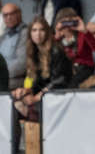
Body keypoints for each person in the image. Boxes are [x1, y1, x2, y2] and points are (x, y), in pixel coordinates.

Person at [11, 17, 72, 145]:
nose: (38, 34)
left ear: (47, 32)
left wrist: (38, 96)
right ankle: (19, 147)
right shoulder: (33, 52)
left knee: (25, 107)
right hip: (43, 95)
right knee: (15, 103)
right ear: (30, 34)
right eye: (34, 30)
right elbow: (31, 78)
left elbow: (60, 81)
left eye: (41, 30)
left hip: (58, 96)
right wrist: (25, 90)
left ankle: (35, 146)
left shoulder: (56, 50)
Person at [53, 8, 95, 86]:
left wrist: (84, 30)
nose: (68, 25)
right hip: (66, 70)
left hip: (84, 69)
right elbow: (49, 53)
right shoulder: (58, 39)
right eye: (64, 22)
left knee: (72, 84)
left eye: (70, 21)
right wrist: (57, 34)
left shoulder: (82, 34)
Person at [0, 3, 27, 89]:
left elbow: (22, 64)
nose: (8, 17)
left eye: (11, 14)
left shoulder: (25, 33)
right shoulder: (3, 35)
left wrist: (3, 74)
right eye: (5, 15)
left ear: (19, 14)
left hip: (15, 81)